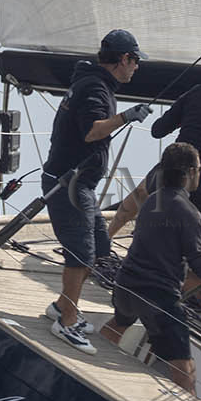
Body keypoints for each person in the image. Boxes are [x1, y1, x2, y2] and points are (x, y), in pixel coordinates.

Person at [43, 29, 152, 352]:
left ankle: (64, 306)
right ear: (123, 59)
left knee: (99, 246)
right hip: (69, 183)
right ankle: (66, 322)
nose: (137, 68)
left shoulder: (92, 82)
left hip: (79, 183)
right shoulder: (94, 87)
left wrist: (122, 116)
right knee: (81, 253)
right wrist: (127, 116)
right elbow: (91, 132)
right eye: (135, 62)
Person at [109, 56, 201, 288]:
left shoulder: (196, 93)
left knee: (135, 200)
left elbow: (157, 131)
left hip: (172, 170)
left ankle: (103, 244)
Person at [98, 144, 201, 387]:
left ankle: (94, 368)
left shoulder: (152, 202)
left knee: (119, 323)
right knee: (185, 366)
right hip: (157, 297)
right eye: (199, 169)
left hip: (126, 286)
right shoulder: (190, 213)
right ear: (191, 172)